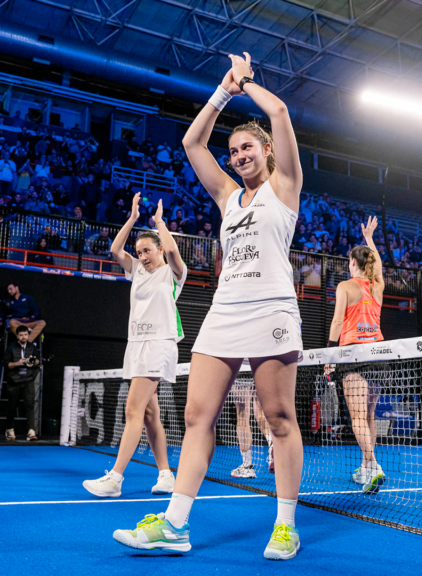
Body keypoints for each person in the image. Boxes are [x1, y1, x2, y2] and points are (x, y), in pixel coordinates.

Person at [112, 52, 305, 560]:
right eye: (234, 150)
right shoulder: (225, 196)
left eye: (247, 148)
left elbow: (281, 114)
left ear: (267, 151)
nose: (239, 155)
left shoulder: (285, 189)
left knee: (280, 416)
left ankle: (285, 525)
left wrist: (248, 83)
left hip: (272, 311)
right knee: (198, 415)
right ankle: (175, 524)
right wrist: (222, 93)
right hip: (224, 314)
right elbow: (191, 143)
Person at [83, 193, 185, 499]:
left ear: (158, 250)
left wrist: (159, 223)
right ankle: (166, 475)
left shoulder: (173, 274)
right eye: (139, 252)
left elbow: (172, 251)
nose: (142, 256)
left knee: (133, 408)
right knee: (150, 413)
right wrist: (132, 218)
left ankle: (115, 478)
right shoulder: (137, 271)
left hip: (159, 344)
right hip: (137, 345)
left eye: (147, 251)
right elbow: (115, 249)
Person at [324, 216, 386, 494]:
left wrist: (329, 355)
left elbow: (337, 322)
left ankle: (374, 465)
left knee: (357, 418)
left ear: (352, 263)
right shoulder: (377, 286)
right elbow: (380, 269)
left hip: (353, 356)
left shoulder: (345, 287)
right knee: (369, 416)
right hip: (379, 356)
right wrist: (370, 239)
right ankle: (365, 469)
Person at [2, 325, 42, 441]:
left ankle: (31, 431)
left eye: (25, 334)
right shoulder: (11, 347)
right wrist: (17, 363)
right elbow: (6, 364)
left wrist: (32, 362)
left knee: (30, 405)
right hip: (13, 380)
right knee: (12, 406)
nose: (23, 337)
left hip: (28, 379)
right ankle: (9, 430)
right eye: (21, 335)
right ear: (17, 336)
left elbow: (38, 360)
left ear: (28, 335)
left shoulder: (32, 347)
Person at [230, 378, 273, 478]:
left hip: (243, 369)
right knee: (260, 410)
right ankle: (272, 443)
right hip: (260, 366)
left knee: (242, 413)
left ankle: (247, 466)